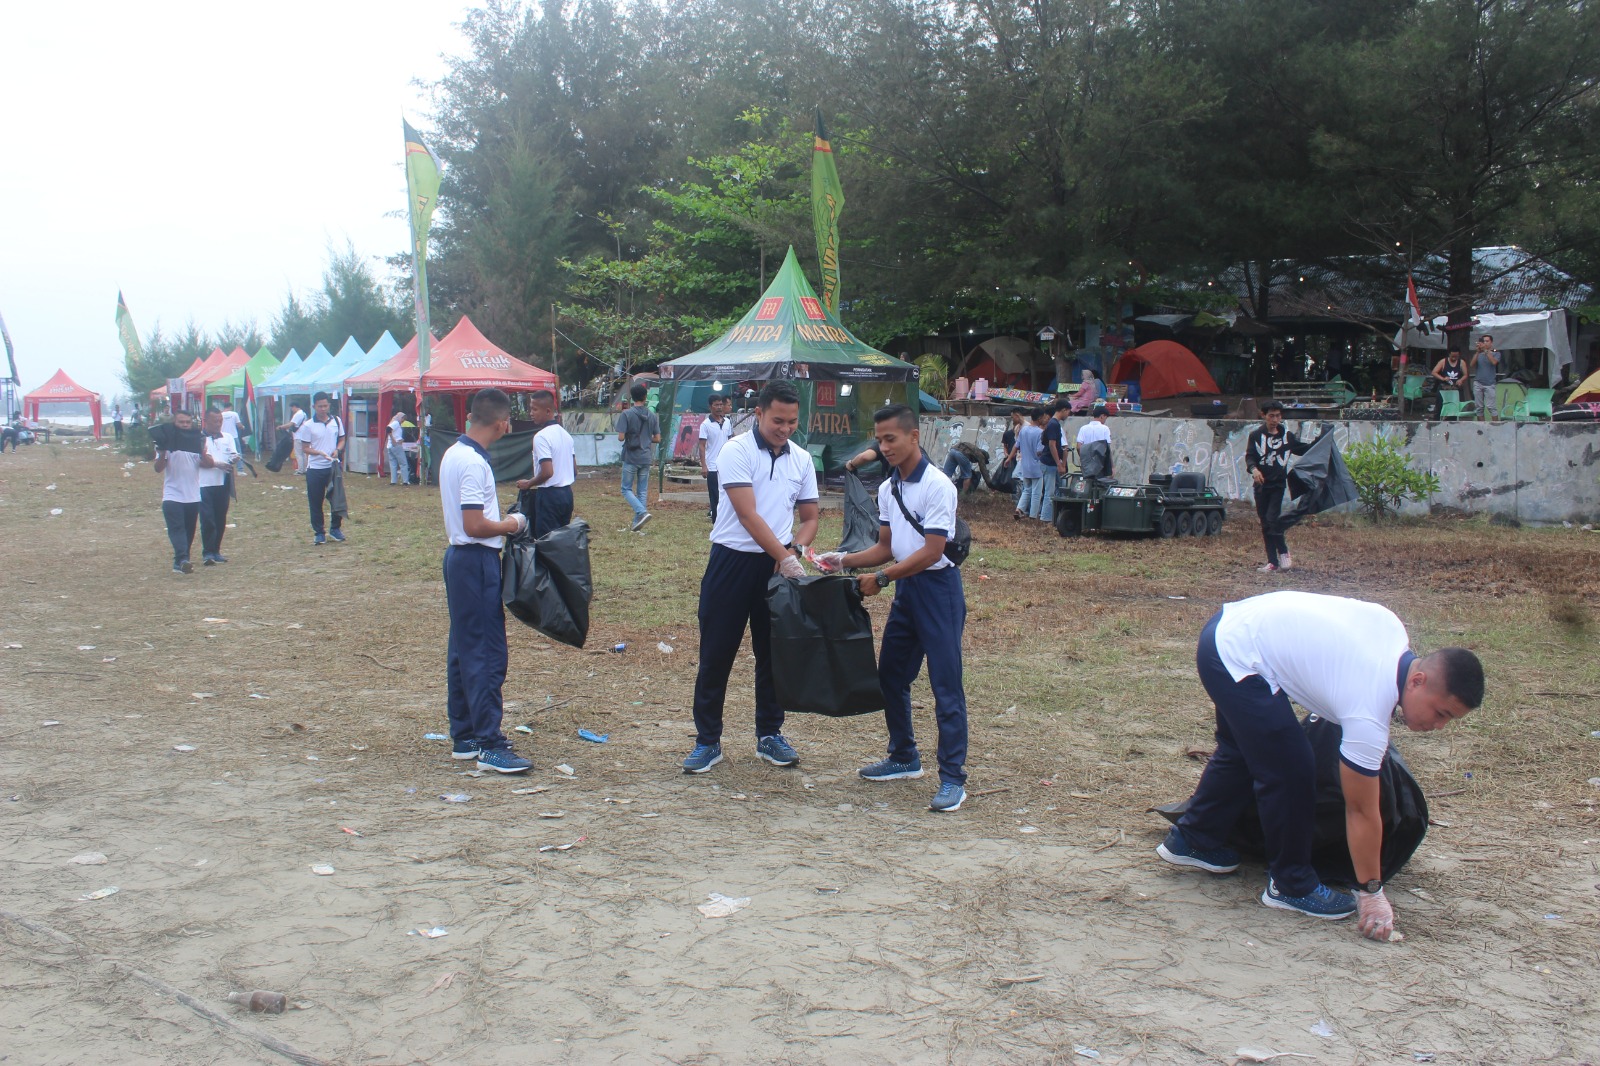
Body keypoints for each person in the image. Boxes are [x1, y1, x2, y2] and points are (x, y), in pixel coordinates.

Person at [1156, 591, 1484, 940]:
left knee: (1242, 748)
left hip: (1230, 626)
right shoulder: (1367, 711)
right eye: (1441, 713)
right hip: (1237, 653)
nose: (1438, 726)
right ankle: (1291, 884)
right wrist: (1371, 893)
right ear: (1417, 681)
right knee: (1291, 768)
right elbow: (1361, 810)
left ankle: (1193, 839)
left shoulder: (1392, 633)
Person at [820, 404, 969, 812]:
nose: (884, 447)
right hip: (907, 594)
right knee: (890, 677)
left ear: (913, 437)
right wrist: (843, 560)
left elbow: (932, 551)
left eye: (891, 439)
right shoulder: (888, 488)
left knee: (945, 686)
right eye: (880, 439)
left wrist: (884, 578)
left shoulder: (938, 486)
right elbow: (886, 547)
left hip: (938, 591)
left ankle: (953, 778)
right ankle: (904, 756)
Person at [682, 380, 818, 775]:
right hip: (732, 562)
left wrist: (794, 552)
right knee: (716, 654)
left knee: (774, 653)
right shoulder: (735, 450)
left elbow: (809, 517)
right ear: (758, 413)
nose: (785, 428)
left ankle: (770, 734)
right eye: (778, 420)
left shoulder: (802, 460)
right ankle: (707, 740)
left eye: (792, 421)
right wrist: (784, 554)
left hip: (776, 569)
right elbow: (747, 515)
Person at [439, 388, 532, 774]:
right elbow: (474, 524)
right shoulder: (474, 462)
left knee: (463, 648)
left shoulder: (453, 453)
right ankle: (490, 744)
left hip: (460, 560)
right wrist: (512, 524)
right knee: (485, 653)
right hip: (475, 559)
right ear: (501, 423)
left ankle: (465, 735)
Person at [1246, 401, 1311, 573]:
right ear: (1264, 416)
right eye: (1271, 416)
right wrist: (1254, 470)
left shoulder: (1287, 437)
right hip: (1261, 486)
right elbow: (1250, 457)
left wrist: (1324, 441)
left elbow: (1304, 449)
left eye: (1278, 416)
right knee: (1265, 523)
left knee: (1272, 519)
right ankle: (1272, 561)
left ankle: (1283, 552)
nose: (1275, 419)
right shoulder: (1255, 436)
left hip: (1278, 485)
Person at [152, 410, 213, 574]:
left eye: (188, 422)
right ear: (174, 423)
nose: (185, 425)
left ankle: (180, 562)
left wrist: (202, 451)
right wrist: (163, 451)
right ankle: (183, 559)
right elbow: (158, 468)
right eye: (181, 422)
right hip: (172, 495)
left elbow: (208, 464)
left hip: (192, 495)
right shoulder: (167, 441)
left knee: (189, 530)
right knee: (177, 529)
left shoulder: (197, 440)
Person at [515, 389, 576, 537]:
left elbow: (548, 472)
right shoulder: (566, 435)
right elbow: (575, 471)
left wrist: (528, 483)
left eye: (534, 409)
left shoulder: (541, 437)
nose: (531, 413)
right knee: (562, 541)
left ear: (548, 411)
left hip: (549, 496)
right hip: (567, 495)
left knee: (546, 542)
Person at [295, 392, 346, 545]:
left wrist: (338, 450)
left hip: (332, 466)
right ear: (314, 406)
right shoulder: (308, 426)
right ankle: (319, 532)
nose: (323, 409)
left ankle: (335, 528)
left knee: (336, 499)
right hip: (315, 468)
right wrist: (318, 452)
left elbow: (342, 439)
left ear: (329, 405)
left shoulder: (336, 421)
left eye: (325, 406)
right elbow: (305, 448)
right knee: (316, 501)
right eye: (320, 406)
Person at [616, 382, 660, 531]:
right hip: (646, 457)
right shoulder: (652, 415)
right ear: (646, 397)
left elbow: (621, 438)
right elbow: (657, 438)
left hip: (631, 457)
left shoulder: (626, 414)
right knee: (642, 490)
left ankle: (642, 512)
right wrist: (646, 439)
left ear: (631, 398)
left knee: (626, 489)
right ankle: (637, 524)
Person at [198, 410, 239, 565]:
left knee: (220, 518)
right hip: (203, 483)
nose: (218, 424)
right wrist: (215, 464)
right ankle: (207, 552)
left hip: (222, 482)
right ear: (205, 421)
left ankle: (216, 550)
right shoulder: (200, 439)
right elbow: (197, 460)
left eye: (220, 421)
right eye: (214, 421)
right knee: (207, 519)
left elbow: (232, 454)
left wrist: (234, 459)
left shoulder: (227, 437)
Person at [697, 393, 734, 520]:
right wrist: (704, 466)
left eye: (720, 405)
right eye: (716, 405)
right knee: (715, 496)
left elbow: (730, 441)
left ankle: (726, 521)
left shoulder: (727, 422)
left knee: (727, 494)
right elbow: (702, 445)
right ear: (710, 407)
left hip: (726, 465)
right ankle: (716, 521)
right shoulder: (705, 425)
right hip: (712, 466)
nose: (719, 407)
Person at [1039, 399, 1072, 524]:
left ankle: (1052, 516)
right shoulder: (1054, 424)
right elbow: (1052, 445)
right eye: (1068, 412)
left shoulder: (1053, 424)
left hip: (1049, 462)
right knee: (1050, 491)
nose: (1068, 415)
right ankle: (1046, 518)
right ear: (1063, 410)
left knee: (1057, 490)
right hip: (1049, 463)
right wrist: (1060, 463)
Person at [1013, 407, 1046, 520]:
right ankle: (1033, 515)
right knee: (1037, 492)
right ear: (1040, 417)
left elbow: (1017, 445)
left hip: (1025, 464)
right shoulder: (1040, 432)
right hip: (1036, 466)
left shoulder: (1024, 430)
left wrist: (1009, 458)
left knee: (1026, 490)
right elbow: (1039, 451)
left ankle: (1019, 509)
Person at [1471, 334, 1501, 420]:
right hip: (1478, 383)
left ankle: (1496, 427)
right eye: (1483, 341)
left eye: (1487, 341)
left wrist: (1486, 350)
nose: (1485, 343)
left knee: (1491, 407)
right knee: (1479, 407)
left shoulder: (1496, 353)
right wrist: (1477, 351)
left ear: (1491, 343)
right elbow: (1471, 364)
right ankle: (1481, 428)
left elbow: (1494, 362)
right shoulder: (1479, 354)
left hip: (1490, 383)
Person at [1075, 401, 1111, 465]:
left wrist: (1084, 459)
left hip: (1087, 463)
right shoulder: (1105, 428)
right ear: (1102, 416)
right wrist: (1111, 466)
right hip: (1101, 463)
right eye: (1106, 418)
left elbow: (1078, 447)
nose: (1105, 420)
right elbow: (1107, 448)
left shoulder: (1083, 428)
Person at [278, 401, 309, 474]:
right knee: (303, 454)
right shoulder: (304, 414)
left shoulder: (298, 414)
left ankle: (300, 470)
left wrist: (281, 427)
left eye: (292, 408)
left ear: (294, 406)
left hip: (298, 436)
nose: (292, 409)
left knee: (298, 454)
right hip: (304, 436)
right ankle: (305, 469)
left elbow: (290, 424)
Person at [386, 409, 411, 486]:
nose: (404, 420)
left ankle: (393, 481)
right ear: (400, 417)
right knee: (403, 463)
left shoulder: (394, 422)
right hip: (396, 445)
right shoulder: (396, 423)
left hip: (390, 446)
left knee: (393, 463)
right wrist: (394, 440)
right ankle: (405, 481)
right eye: (403, 418)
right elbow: (388, 429)